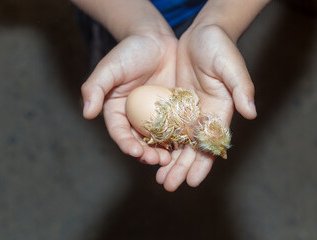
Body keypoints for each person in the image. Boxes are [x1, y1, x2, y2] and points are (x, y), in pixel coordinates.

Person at [71, 0, 271, 192]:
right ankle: (99, 87)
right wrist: (137, 25)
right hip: (108, 9)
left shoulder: (182, 119)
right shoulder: (183, 116)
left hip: (194, 14)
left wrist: (218, 22)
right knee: (105, 60)